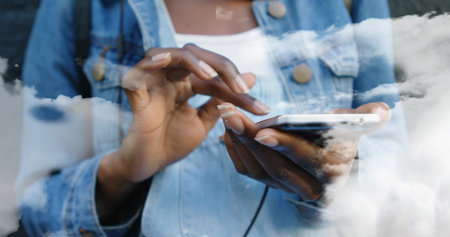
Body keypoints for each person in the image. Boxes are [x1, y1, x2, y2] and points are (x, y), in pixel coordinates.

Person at [18, 0, 406, 236]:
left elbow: (400, 179)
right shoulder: (81, 8)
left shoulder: (352, 3)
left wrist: (343, 176)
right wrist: (123, 171)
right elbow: (31, 207)